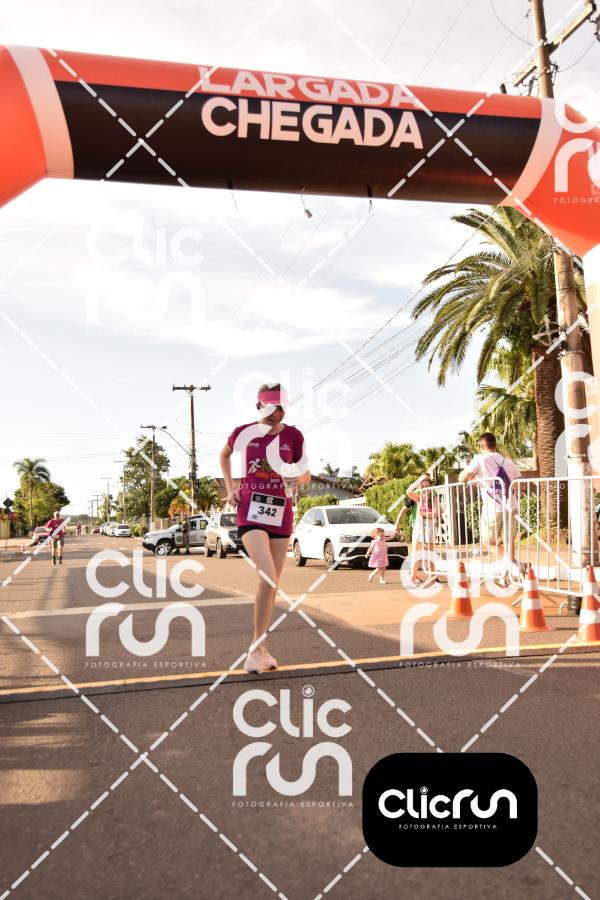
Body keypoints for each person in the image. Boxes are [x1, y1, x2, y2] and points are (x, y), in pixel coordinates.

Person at [220, 383, 310, 674]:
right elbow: (224, 455)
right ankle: (255, 649)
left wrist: (295, 477)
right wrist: (230, 488)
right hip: (250, 512)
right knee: (268, 577)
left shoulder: (293, 436)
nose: (277, 414)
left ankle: (260, 648)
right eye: (271, 408)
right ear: (259, 407)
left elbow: (306, 474)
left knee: (273, 584)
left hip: (281, 514)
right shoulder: (244, 433)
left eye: (281, 409)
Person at [458, 432, 521, 582]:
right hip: (511, 504)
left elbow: (462, 478)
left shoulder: (480, 459)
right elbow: (521, 485)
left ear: (481, 445)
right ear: (495, 445)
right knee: (508, 539)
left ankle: (512, 564)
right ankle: (508, 574)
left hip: (492, 506)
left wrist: (474, 478)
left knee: (487, 542)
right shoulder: (508, 461)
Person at [405, 473, 439, 589]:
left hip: (429, 527)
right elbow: (408, 491)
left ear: (430, 487)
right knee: (416, 553)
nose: (425, 489)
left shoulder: (433, 498)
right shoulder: (419, 498)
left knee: (430, 554)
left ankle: (432, 578)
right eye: (422, 486)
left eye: (427, 486)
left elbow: (435, 513)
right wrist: (418, 480)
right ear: (419, 487)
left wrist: (422, 513)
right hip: (418, 527)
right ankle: (412, 579)